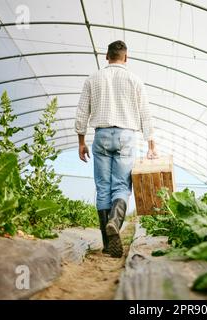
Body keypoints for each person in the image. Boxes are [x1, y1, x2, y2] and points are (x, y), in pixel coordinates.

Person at [75, 40, 157, 258]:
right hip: (126, 136)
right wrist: (151, 145)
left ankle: (106, 242)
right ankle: (115, 222)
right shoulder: (135, 80)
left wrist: (81, 141)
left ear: (106, 56)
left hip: (101, 135)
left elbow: (82, 111)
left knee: (103, 187)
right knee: (121, 185)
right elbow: (145, 114)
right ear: (126, 58)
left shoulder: (93, 79)